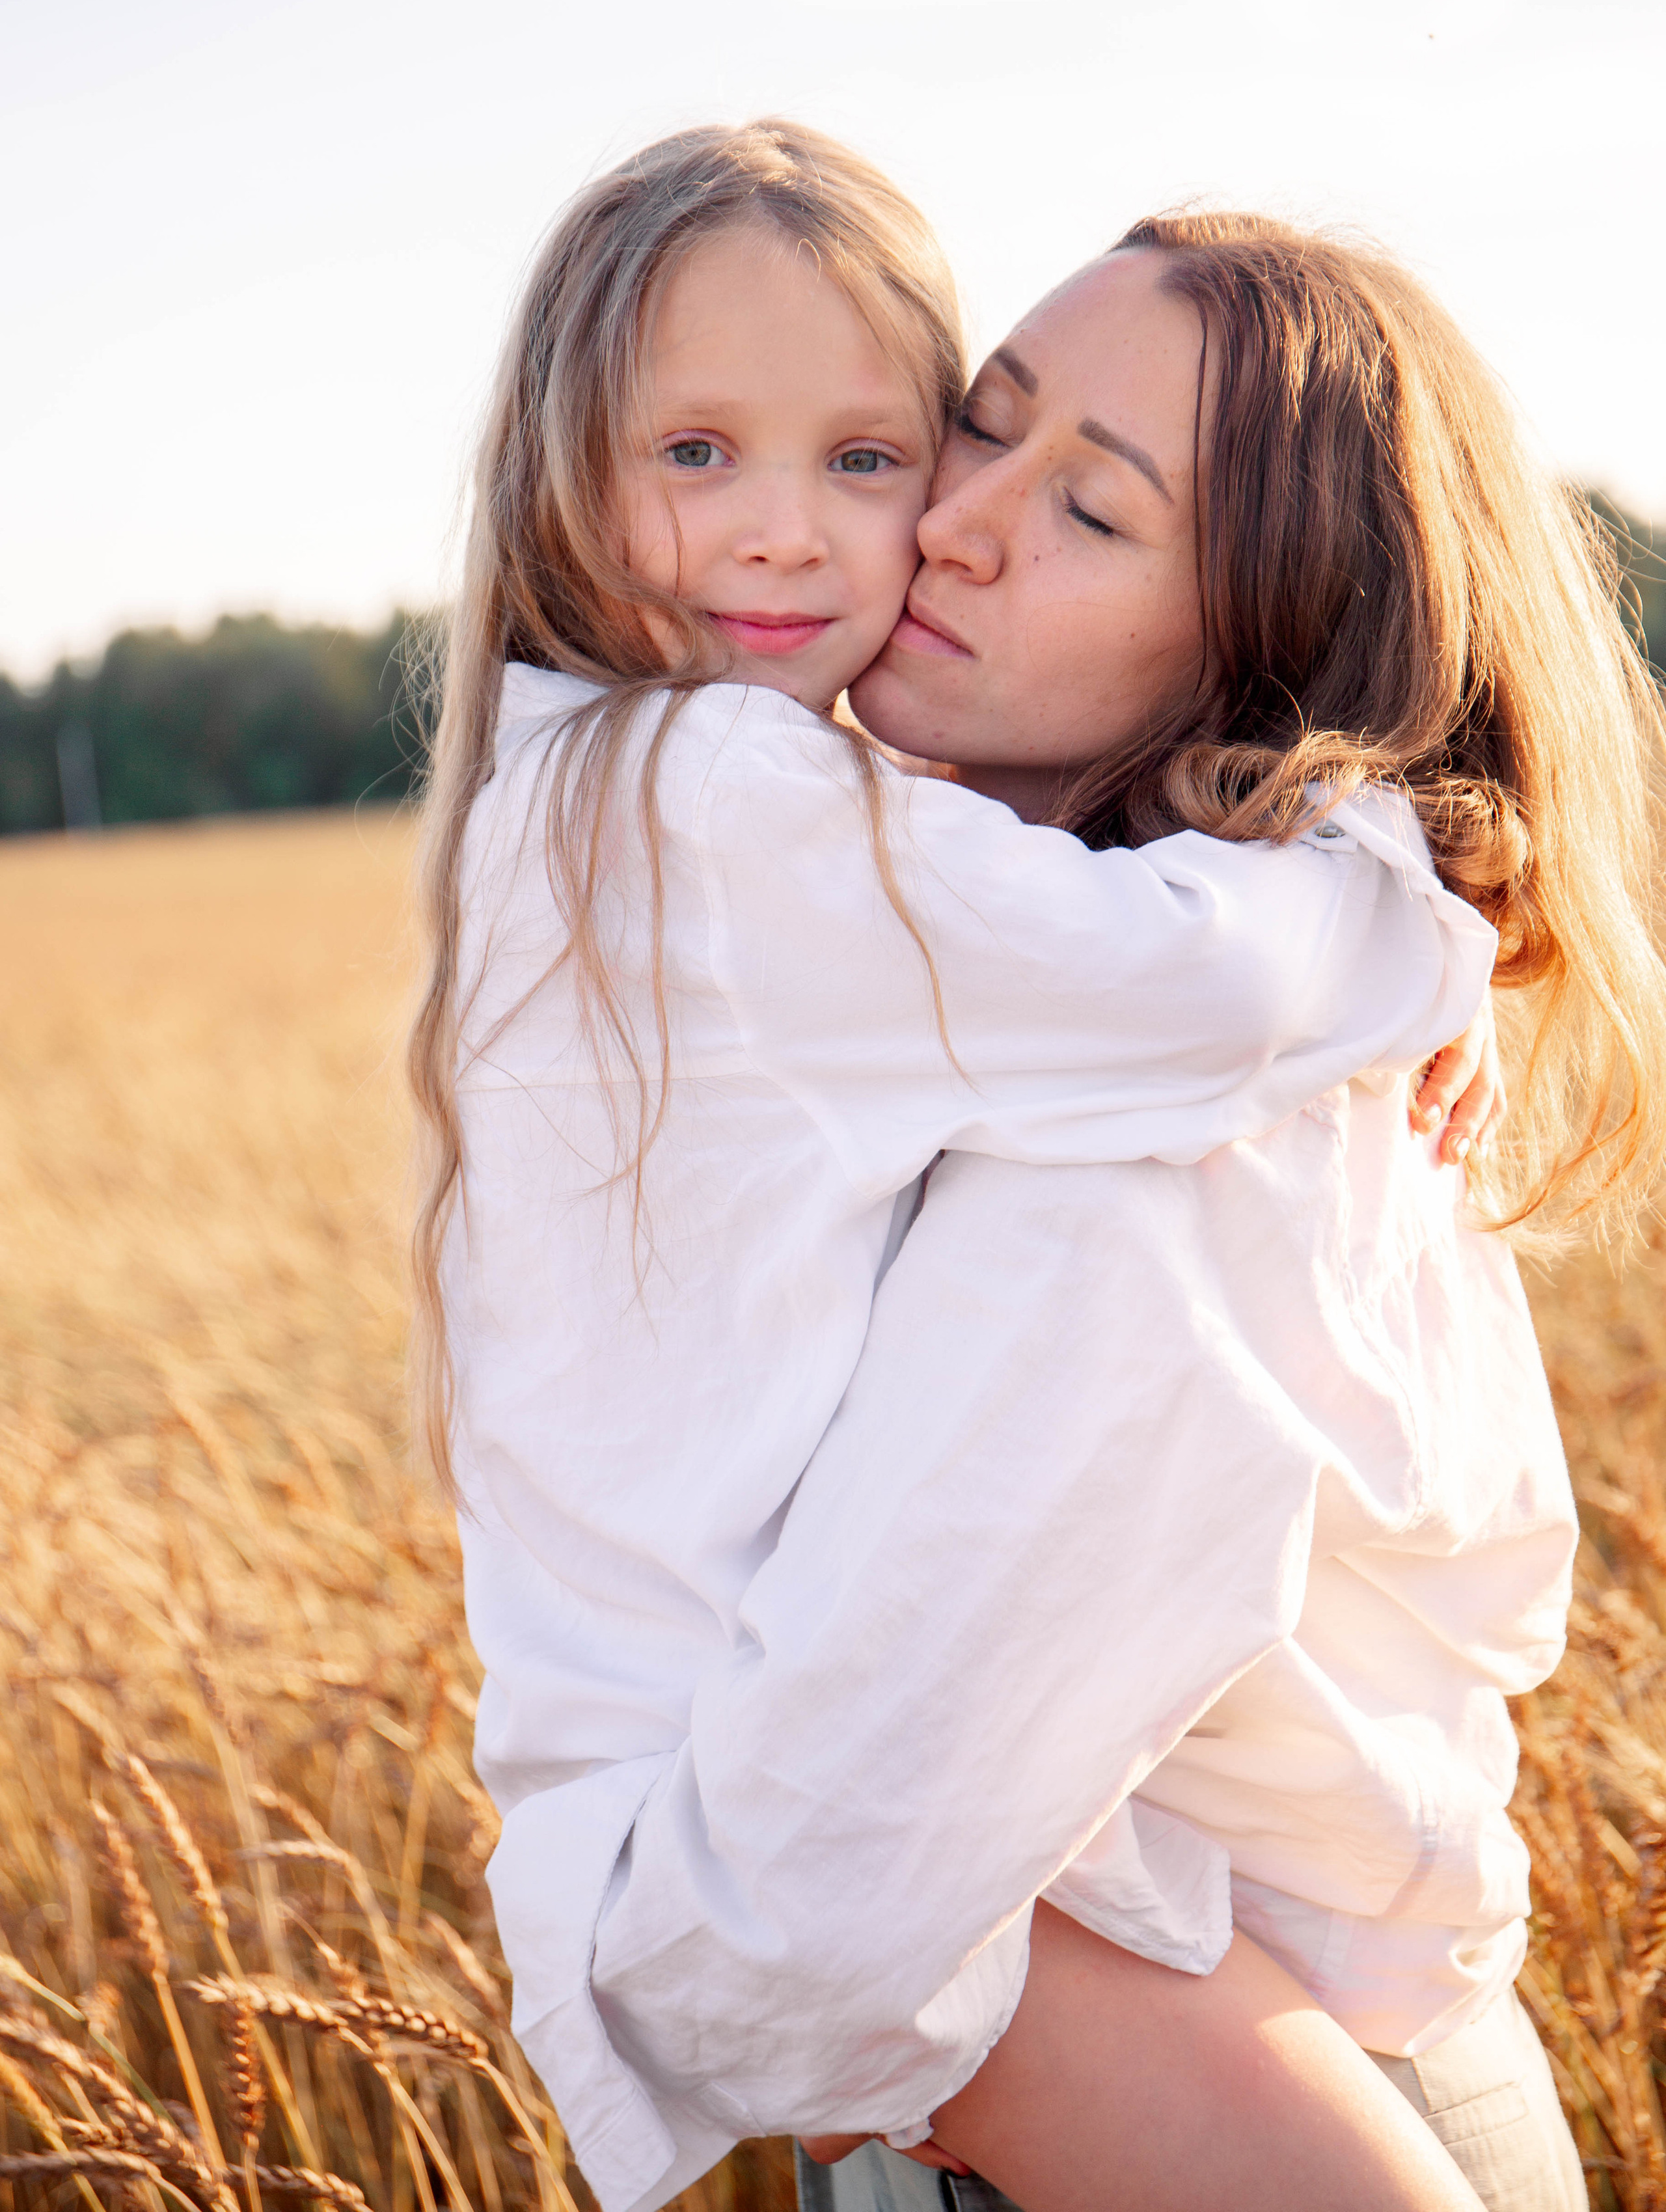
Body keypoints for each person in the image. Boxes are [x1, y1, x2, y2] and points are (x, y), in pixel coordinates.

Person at [407, 124, 1560, 2211]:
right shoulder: (815, 866)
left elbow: (827, 1896)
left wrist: (1391, 913)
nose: (939, 531)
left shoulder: (1150, 1165)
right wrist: (1397, 910)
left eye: (874, 454)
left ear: (1268, 640)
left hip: (1129, 2033)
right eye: (982, 436)